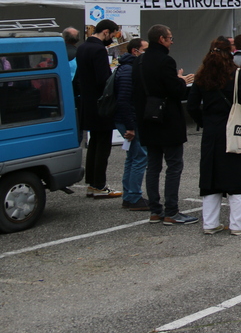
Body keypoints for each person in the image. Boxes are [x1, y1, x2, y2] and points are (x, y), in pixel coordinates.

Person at [188, 38, 241, 235]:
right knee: (236, 176)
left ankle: (209, 223)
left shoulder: (202, 75)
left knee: (210, 176)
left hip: (211, 130)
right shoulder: (236, 74)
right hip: (233, 127)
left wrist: (204, 121)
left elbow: (192, 105)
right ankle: (238, 224)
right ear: (231, 52)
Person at [133, 24, 197, 225]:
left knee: (153, 166)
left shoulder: (140, 60)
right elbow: (175, 90)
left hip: (146, 117)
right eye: (170, 38)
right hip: (167, 119)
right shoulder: (165, 60)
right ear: (161, 39)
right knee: (174, 165)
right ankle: (171, 210)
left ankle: (155, 210)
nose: (171, 41)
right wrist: (181, 80)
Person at [75, 19, 122, 198]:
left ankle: (92, 182)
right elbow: (104, 79)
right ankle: (99, 184)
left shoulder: (82, 48)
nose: (112, 38)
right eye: (112, 34)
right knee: (103, 145)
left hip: (87, 102)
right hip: (101, 103)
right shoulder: (98, 50)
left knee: (94, 143)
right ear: (106, 32)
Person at [112, 38, 148, 210]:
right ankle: (133, 196)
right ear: (135, 51)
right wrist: (131, 126)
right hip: (130, 119)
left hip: (128, 118)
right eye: (145, 50)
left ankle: (129, 195)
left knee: (133, 156)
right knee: (140, 156)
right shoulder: (128, 70)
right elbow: (124, 100)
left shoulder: (127, 67)